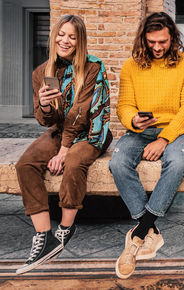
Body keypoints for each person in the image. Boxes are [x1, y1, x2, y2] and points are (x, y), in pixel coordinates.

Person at [15, 15, 112, 274]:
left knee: (74, 162)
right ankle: (44, 236)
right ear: (53, 36)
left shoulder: (93, 67)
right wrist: (46, 104)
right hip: (61, 131)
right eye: (61, 34)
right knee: (25, 163)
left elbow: (82, 112)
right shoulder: (43, 72)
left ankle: (65, 230)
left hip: (93, 130)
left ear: (80, 41)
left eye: (72, 36)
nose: (65, 40)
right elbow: (46, 119)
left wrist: (64, 150)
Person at [108, 12, 184, 279]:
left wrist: (164, 139)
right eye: (152, 42)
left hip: (177, 129)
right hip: (142, 130)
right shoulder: (131, 65)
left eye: (163, 41)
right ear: (143, 39)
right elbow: (124, 105)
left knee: (178, 162)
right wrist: (133, 120)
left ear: (173, 38)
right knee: (117, 162)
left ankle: (138, 234)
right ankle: (150, 230)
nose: (158, 47)